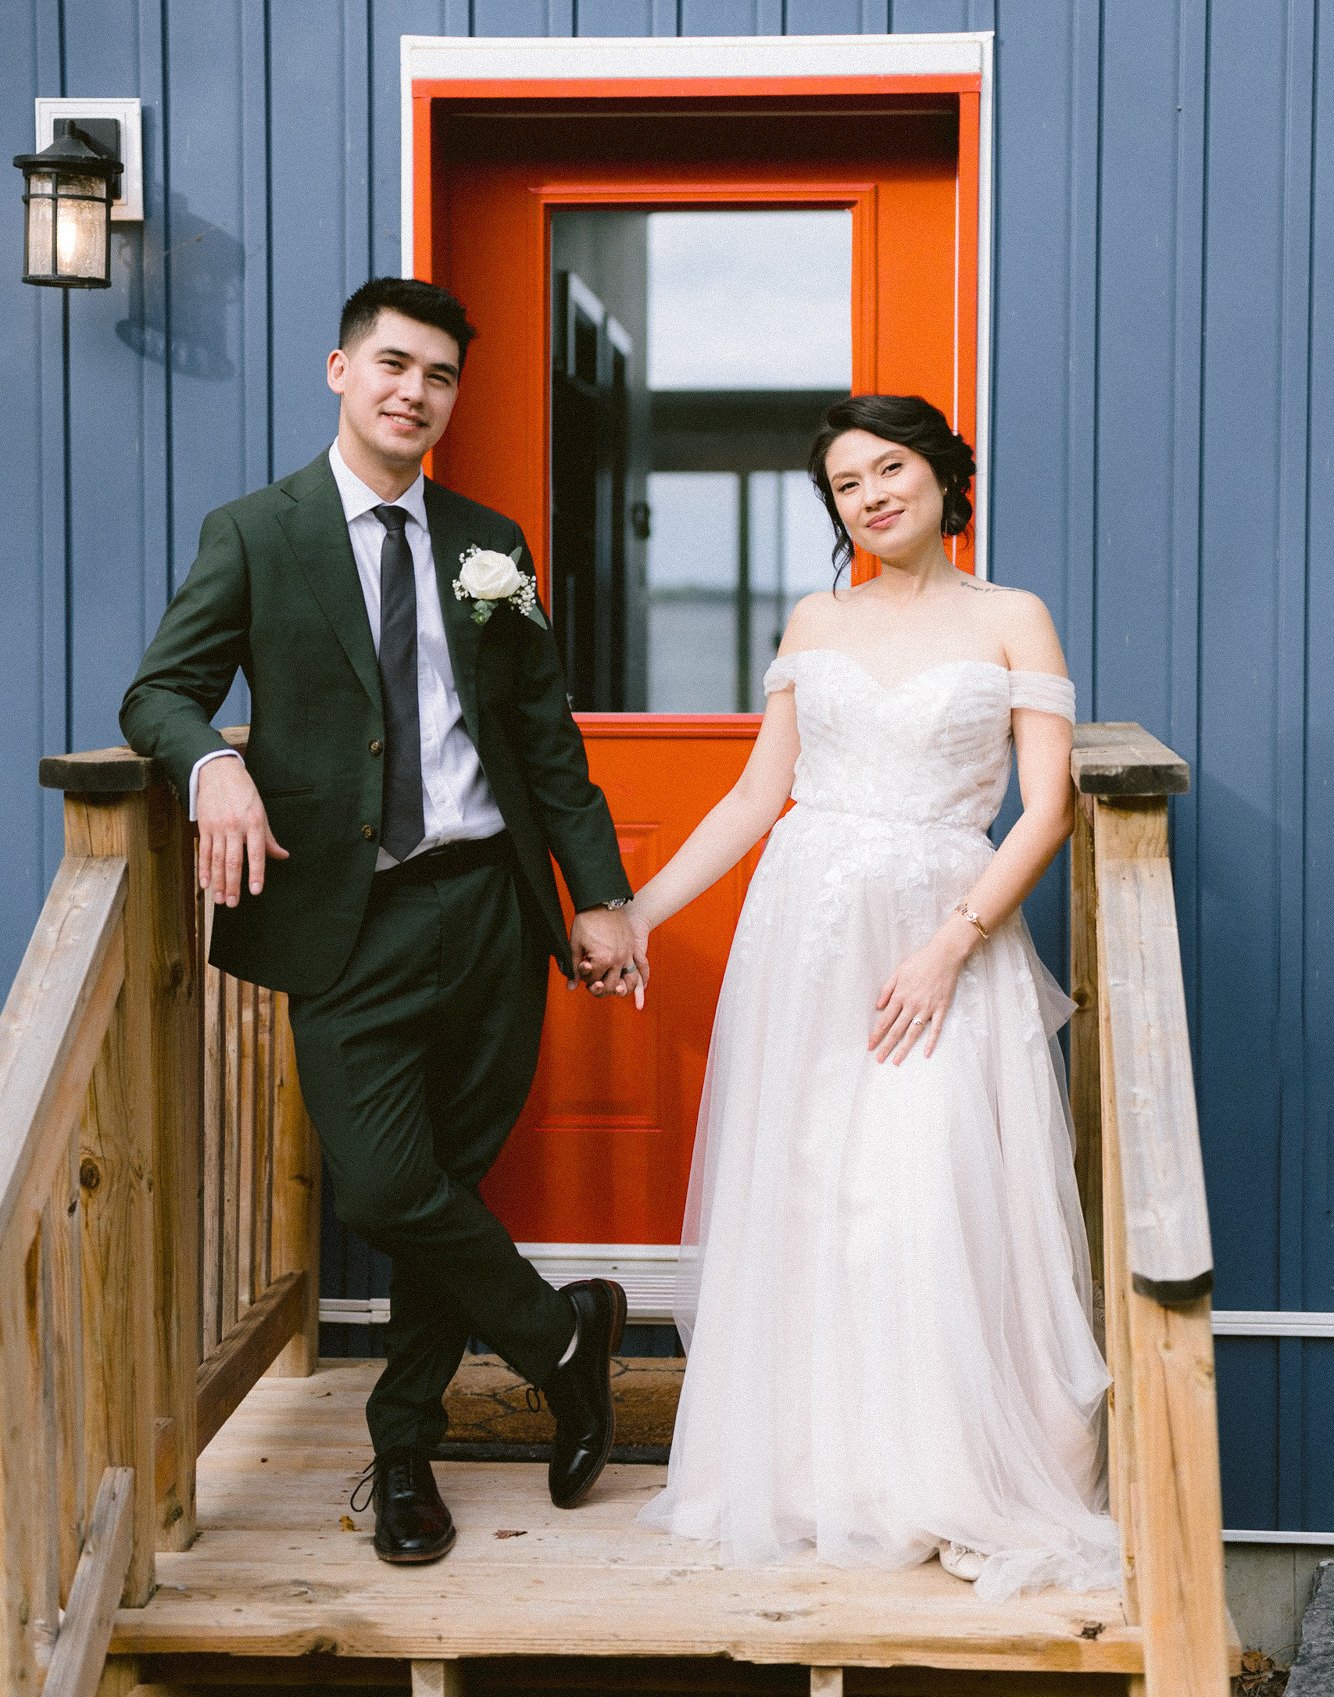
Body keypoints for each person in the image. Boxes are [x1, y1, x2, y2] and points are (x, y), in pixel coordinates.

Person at [121, 276, 645, 1565]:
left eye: (440, 376)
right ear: (339, 371)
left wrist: (606, 896)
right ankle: (562, 1340)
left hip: (486, 905)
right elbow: (160, 691)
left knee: (444, 1185)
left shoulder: (490, 545)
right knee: (385, 1181)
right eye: (393, 365)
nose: (416, 392)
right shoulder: (256, 532)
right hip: (345, 923)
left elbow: (539, 732)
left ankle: (403, 1447)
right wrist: (213, 765)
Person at [629, 395, 1120, 1601]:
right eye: (845, 483)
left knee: (929, 1188)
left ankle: (944, 1470)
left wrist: (952, 944)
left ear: (945, 477)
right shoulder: (815, 616)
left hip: (939, 933)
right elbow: (757, 796)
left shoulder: (1012, 617)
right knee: (812, 1185)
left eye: (888, 468)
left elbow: (1045, 807)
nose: (870, 496)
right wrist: (641, 910)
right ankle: (819, 1472)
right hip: (806, 932)